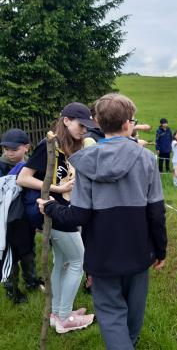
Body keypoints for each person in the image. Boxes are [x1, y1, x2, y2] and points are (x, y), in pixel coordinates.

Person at [37, 93, 167, 349]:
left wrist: (50, 206)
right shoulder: (147, 160)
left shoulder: (86, 162)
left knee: (110, 313)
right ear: (129, 123)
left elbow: (79, 215)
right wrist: (160, 249)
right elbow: (156, 212)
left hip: (102, 254)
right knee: (133, 312)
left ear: (96, 122)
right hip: (139, 251)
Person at [17, 103, 95, 333]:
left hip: (63, 210)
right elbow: (24, 177)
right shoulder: (49, 144)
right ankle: (64, 318)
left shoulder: (71, 145)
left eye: (87, 126)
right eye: (81, 125)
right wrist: (57, 189)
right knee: (78, 262)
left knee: (62, 262)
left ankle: (57, 312)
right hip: (53, 211)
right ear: (66, 120)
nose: (84, 130)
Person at [0, 129, 43, 303]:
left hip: (25, 220)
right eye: (6, 149)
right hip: (6, 222)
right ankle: (12, 291)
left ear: (26, 147)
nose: (9, 153)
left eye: (14, 149)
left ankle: (31, 281)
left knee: (28, 252)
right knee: (9, 256)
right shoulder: (1, 167)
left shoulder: (32, 165)